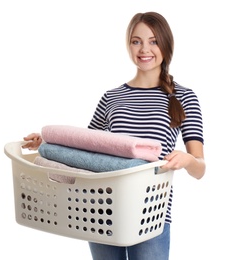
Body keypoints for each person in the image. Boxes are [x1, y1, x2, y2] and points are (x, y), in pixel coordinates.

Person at [23, 11, 206, 260]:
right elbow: (86, 153)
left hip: (151, 213)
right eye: (136, 41)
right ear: (128, 45)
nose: (144, 49)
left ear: (166, 44)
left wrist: (186, 160)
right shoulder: (111, 97)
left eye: (153, 41)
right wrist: (46, 142)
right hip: (101, 208)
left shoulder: (184, 97)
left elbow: (200, 168)